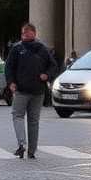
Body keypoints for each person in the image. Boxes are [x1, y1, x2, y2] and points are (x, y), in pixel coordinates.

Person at [5, 22, 58, 159]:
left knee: (17, 116)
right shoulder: (43, 49)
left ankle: (22, 144)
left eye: (24, 33)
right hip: (38, 90)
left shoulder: (17, 48)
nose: (24, 35)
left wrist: (11, 82)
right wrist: (47, 75)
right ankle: (32, 150)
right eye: (23, 33)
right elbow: (53, 66)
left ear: (31, 33)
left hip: (22, 89)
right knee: (33, 120)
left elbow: (9, 67)